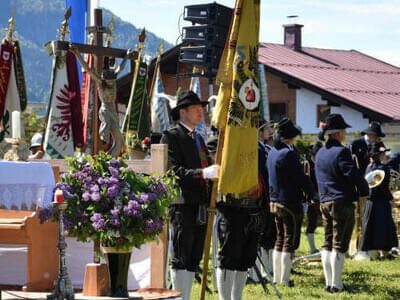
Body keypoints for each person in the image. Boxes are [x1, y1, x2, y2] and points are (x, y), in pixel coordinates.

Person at [160, 90, 219, 300]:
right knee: (182, 255)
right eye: (195, 109)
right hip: (182, 203)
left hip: (200, 204)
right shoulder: (172, 135)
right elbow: (173, 171)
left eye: (200, 108)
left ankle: (186, 296)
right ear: (182, 112)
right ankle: (180, 297)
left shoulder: (198, 138)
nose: (200, 113)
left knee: (195, 256)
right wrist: (202, 173)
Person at [315, 114, 369, 293]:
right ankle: (337, 285)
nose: (345, 133)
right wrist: (365, 190)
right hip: (341, 202)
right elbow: (351, 174)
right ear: (337, 133)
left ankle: (329, 283)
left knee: (327, 243)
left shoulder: (320, 152)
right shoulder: (342, 151)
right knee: (339, 245)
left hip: (324, 201)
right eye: (344, 130)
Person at [215, 126, 267, 300]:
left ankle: (237, 296)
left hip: (254, 208)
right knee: (229, 257)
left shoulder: (258, 148)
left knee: (247, 257)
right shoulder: (220, 145)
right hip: (232, 208)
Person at [267, 117, 315, 287]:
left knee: (279, 239)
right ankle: (284, 279)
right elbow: (301, 178)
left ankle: (276, 277)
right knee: (289, 240)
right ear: (290, 137)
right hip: (289, 202)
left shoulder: (272, 152)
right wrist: (312, 194)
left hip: (274, 201)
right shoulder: (289, 153)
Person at [71, 46, 133, 157]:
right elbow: (88, 69)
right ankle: (104, 137)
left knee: (119, 141)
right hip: (105, 109)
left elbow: (121, 67)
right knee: (106, 123)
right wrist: (77, 53)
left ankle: (109, 159)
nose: (111, 83)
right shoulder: (100, 82)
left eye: (112, 81)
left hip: (112, 109)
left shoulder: (113, 79)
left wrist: (127, 56)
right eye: (109, 81)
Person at [348, 122, 384, 259]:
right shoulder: (355, 144)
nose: (377, 139)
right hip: (358, 185)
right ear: (369, 135)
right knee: (358, 217)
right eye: (375, 136)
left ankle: (372, 246)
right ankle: (355, 246)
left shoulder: (379, 145)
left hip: (372, 186)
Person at [360, 142, 398, 258]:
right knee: (383, 228)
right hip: (381, 202)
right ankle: (385, 254)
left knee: (371, 227)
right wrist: (391, 198)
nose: (384, 155)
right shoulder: (383, 168)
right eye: (382, 153)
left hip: (370, 202)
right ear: (379, 155)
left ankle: (373, 254)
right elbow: (384, 188)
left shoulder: (368, 167)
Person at [305, 142, 323, 254]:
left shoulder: (321, 164)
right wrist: (309, 197)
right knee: (312, 222)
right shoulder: (308, 164)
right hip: (312, 197)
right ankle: (312, 248)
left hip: (323, 196)